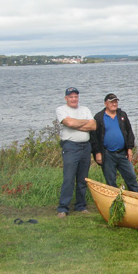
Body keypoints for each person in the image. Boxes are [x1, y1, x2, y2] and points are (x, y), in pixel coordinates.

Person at [56, 87, 96, 217]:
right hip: (70, 147)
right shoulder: (61, 110)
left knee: (82, 179)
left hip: (85, 147)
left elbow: (93, 126)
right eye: (71, 97)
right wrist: (85, 122)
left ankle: (80, 206)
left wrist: (75, 123)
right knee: (69, 178)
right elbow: (69, 122)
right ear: (66, 98)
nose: (74, 99)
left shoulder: (85, 109)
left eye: (76, 96)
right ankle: (63, 208)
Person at [90, 93, 138, 193]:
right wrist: (97, 152)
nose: (114, 104)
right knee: (111, 180)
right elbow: (94, 137)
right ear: (105, 104)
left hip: (123, 153)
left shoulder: (122, 115)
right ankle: (115, 202)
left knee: (131, 177)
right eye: (111, 102)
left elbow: (129, 132)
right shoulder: (99, 117)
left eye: (115, 102)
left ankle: (137, 199)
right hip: (107, 154)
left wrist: (129, 148)